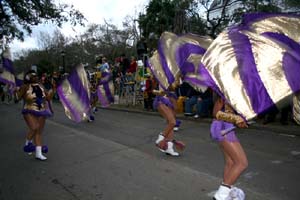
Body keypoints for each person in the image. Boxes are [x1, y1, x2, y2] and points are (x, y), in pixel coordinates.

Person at [211, 94, 248, 200]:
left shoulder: (231, 90)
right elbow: (216, 113)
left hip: (226, 128)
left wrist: (241, 119)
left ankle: (227, 192)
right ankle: (221, 196)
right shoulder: (222, 90)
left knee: (231, 162)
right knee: (242, 163)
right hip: (222, 128)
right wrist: (236, 118)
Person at [15, 70, 54, 161]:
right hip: (29, 110)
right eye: (33, 75)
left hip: (42, 111)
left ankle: (38, 153)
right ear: (28, 77)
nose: (35, 77)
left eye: (36, 75)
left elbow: (48, 98)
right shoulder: (25, 86)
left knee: (39, 132)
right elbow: (17, 99)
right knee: (34, 127)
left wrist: (53, 90)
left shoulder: (40, 86)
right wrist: (15, 91)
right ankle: (28, 144)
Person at [153, 83, 185, 156]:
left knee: (171, 126)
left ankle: (169, 148)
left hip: (170, 100)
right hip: (163, 100)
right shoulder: (164, 77)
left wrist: (174, 142)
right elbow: (169, 87)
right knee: (172, 122)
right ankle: (160, 139)